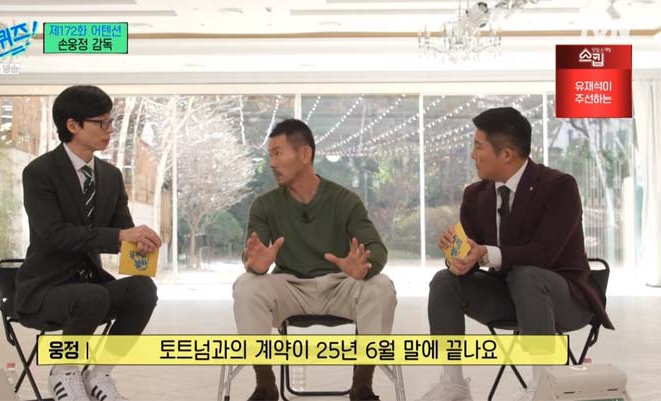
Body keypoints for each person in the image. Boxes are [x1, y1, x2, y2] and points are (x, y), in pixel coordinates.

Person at [419, 107, 613, 401]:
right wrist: (458, 258)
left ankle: (542, 386)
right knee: (444, 281)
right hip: (507, 296)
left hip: (563, 298)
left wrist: (486, 253)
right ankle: (453, 384)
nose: (472, 155)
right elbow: (473, 253)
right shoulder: (475, 195)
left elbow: (544, 254)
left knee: (528, 276)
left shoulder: (559, 187)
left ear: (506, 154)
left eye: (478, 146)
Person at [14, 85, 162, 401]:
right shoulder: (39, 173)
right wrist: (119, 236)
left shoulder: (110, 176)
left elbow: (121, 230)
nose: (110, 129)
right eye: (101, 122)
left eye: (111, 121)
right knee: (91, 296)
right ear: (73, 125)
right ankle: (64, 372)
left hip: (91, 287)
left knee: (143, 289)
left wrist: (140, 240)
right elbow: (53, 234)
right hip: (44, 289)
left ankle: (100, 373)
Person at [233, 119, 397, 401]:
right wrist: (255, 264)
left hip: (339, 286)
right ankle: (265, 385)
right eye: (270, 154)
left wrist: (363, 266)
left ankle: (362, 385)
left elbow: (376, 249)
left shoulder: (344, 200)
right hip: (289, 288)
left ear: (305, 154)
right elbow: (253, 251)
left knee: (381, 286)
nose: (272, 163)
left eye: (278, 153)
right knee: (246, 285)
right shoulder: (265, 205)